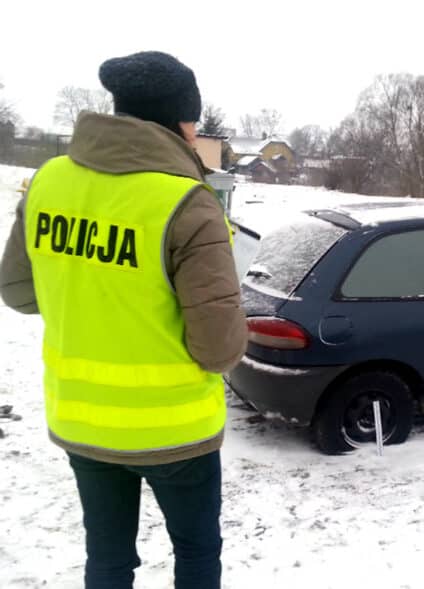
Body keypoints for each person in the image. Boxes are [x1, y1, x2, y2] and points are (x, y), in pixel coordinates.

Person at [0, 51, 247, 589]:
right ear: (178, 123)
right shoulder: (189, 202)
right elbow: (219, 349)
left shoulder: (49, 182)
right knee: (197, 554)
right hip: (176, 431)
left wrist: (90, 292)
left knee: (108, 559)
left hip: (81, 421)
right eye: (193, 122)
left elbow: (18, 291)